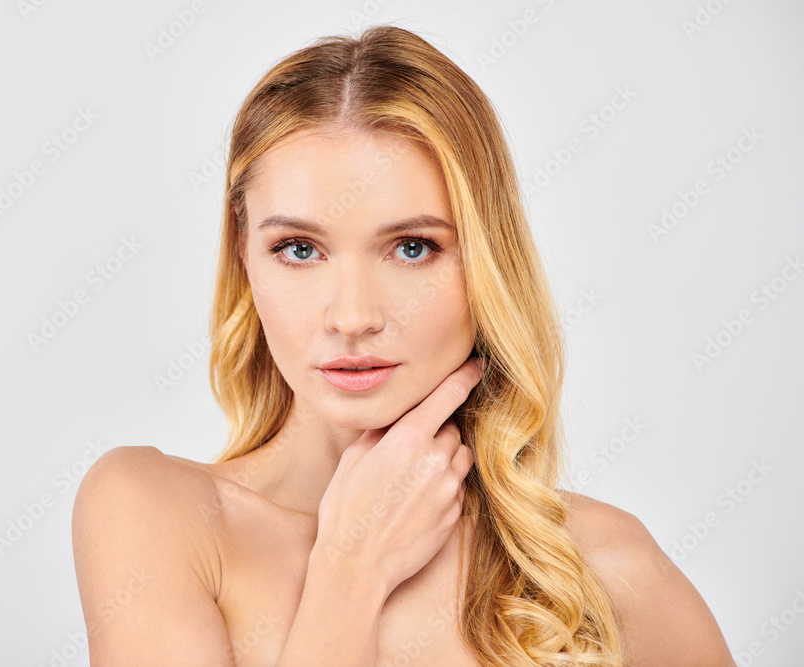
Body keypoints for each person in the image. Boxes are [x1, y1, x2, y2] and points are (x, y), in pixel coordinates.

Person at [72, 24, 735, 666]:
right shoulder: (156, 513)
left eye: (413, 247)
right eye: (298, 249)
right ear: (243, 258)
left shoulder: (600, 566)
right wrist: (349, 571)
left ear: (486, 265)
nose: (353, 315)